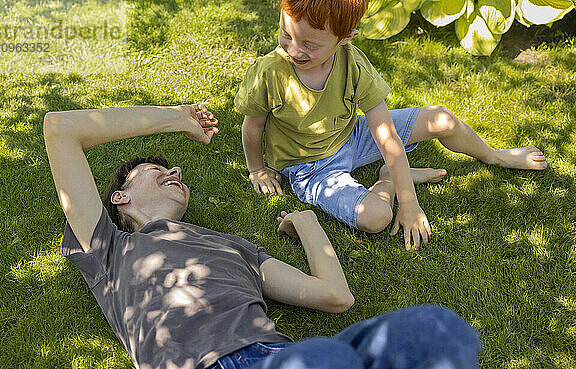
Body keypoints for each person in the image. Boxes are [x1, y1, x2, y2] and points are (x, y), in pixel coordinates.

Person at [44, 104, 481, 369]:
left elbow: (334, 296)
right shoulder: (107, 249)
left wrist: (308, 222)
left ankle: (386, 179)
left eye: (173, 170)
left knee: (440, 330)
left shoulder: (234, 248)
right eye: (157, 172)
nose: (174, 172)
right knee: (327, 360)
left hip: (283, 357)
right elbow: (60, 129)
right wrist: (175, 119)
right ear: (119, 197)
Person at [234, 0, 548, 250]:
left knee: (441, 119)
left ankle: (495, 155)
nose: (294, 50)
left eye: (311, 45)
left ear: (345, 38)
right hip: (311, 169)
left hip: (351, 135)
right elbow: (253, 127)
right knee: (378, 216)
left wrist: (409, 204)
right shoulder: (269, 72)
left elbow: (385, 135)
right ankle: (386, 179)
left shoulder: (353, 63)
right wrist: (257, 169)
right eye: (287, 34)